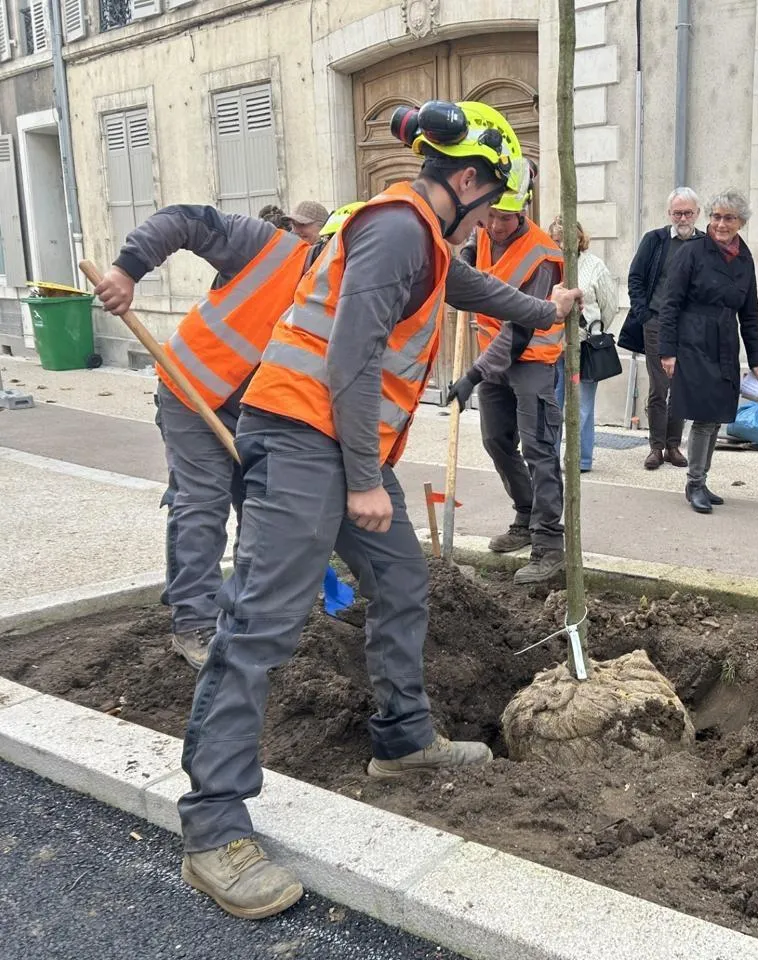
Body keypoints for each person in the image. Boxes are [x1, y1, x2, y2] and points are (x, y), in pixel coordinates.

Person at [173, 99, 582, 920]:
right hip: (303, 439)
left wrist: (546, 311)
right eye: (492, 205)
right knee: (260, 623)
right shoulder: (397, 232)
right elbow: (351, 357)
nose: (491, 222)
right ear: (469, 182)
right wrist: (364, 478)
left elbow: (466, 286)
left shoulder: (420, 237)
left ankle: (403, 740)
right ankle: (213, 826)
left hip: (338, 444)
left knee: (401, 581)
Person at [94, 207, 312, 670]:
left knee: (263, 508)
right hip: (191, 390)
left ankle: (248, 611)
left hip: (258, 410)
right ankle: (194, 620)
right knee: (203, 501)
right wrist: (126, 270)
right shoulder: (268, 247)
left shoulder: (348, 299)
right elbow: (183, 220)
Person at [449, 174, 567, 584]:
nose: (496, 226)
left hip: (531, 359)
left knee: (540, 449)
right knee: (496, 440)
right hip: (492, 358)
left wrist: (472, 375)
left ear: (523, 212)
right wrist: (464, 262)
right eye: (493, 216)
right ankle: (525, 513)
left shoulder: (542, 257)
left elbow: (519, 332)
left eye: (506, 218)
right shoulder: (481, 232)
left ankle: (549, 544)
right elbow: (469, 255)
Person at [659, 188, 758, 514]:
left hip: (725, 342)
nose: (720, 224)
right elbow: (670, 304)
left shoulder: (744, 258)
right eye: (716, 216)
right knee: (705, 417)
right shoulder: (691, 253)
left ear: (740, 222)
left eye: (729, 218)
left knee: (717, 416)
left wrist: (756, 357)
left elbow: (750, 311)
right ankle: (694, 482)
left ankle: (701, 480)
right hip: (693, 341)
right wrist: (667, 351)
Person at [618, 187, 703, 470]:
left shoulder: (705, 244)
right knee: (659, 386)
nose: (683, 218)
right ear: (669, 214)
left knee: (680, 386)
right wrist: (644, 315)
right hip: (656, 322)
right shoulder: (654, 240)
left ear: (697, 213)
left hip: (689, 327)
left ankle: (673, 446)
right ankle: (656, 447)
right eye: (677, 213)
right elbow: (635, 278)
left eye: (687, 213)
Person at [549, 216, 619, 472]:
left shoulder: (594, 265)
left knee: (582, 406)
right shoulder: (550, 265)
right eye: (555, 240)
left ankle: (580, 459)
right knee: (552, 405)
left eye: (564, 240)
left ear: (578, 239)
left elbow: (609, 305)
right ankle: (550, 458)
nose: (560, 246)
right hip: (554, 347)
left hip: (584, 347)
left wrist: (595, 330)